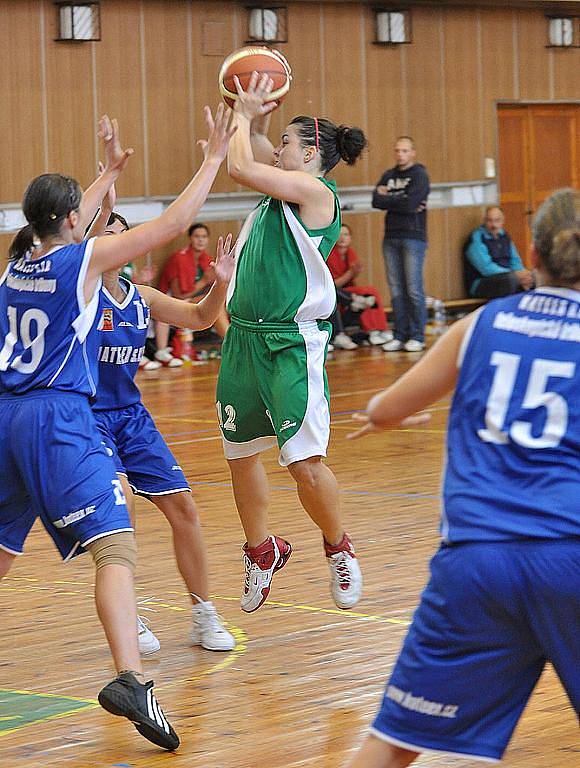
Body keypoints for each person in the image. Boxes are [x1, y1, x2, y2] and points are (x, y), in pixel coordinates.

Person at [0, 105, 236, 750]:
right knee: (115, 548)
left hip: (7, 417)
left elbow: (65, 217)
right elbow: (174, 223)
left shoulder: (14, 266)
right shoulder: (82, 267)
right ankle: (130, 676)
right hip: (59, 417)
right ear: (75, 221)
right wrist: (213, 158)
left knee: (2, 551)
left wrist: (104, 173)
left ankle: (155, 646)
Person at [346, 188, 579, 767]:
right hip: (570, 555)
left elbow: (392, 407)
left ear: (532, 252)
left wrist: (377, 416)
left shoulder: (483, 322)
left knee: (396, 739)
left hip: (476, 561)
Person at [218, 71, 367, 613]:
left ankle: (339, 546)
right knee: (240, 456)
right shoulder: (284, 187)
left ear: (309, 154)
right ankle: (261, 551)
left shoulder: (316, 192)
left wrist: (240, 114)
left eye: (286, 142)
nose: (275, 146)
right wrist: (252, 114)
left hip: (288, 344)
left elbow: (240, 164)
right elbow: (254, 151)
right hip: (243, 341)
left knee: (303, 463)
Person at [92, 207, 235, 654]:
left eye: (122, 233)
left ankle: (202, 613)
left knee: (185, 508)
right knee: (124, 506)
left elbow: (199, 318)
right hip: (87, 418)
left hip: (132, 417)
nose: (117, 241)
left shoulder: (142, 297)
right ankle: (127, 613)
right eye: (106, 233)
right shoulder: (75, 295)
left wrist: (222, 282)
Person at [372, 136, 430, 353]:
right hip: (391, 236)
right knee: (396, 289)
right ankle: (400, 334)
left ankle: (417, 335)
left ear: (412, 152)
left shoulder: (419, 175)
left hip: (413, 236)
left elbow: (411, 204)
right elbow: (376, 201)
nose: (400, 154)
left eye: (405, 150)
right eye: (397, 150)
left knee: (413, 288)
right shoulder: (389, 175)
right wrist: (401, 199)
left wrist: (392, 198)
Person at [156, 222, 230, 362]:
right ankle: (232, 343)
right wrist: (203, 281)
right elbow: (178, 295)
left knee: (227, 300)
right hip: (175, 302)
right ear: (190, 238)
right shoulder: (179, 259)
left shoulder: (206, 259)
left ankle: (232, 342)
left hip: (196, 302)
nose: (201, 240)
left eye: (204, 236)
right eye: (197, 236)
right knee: (217, 305)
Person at [327, 224, 392, 347]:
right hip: (334, 294)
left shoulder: (350, 253)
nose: (342, 238)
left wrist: (352, 274)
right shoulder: (329, 254)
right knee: (366, 293)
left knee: (369, 293)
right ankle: (372, 329)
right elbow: (331, 286)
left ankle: (377, 330)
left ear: (350, 238)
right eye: (339, 234)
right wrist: (350, 273)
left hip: (344, 292)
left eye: (346, 234)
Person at [465, 205, 535, 298]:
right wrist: (515, 275)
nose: (494, 225)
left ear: (503, 221)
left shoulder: (504, 236)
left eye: (497, 220)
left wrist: (523, 275)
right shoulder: (477, 238)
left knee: (534, 277)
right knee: (511, 280)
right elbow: (486, 269)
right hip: (482, 282)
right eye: (490, 220)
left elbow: (515, 261)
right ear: (484, 221)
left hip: (507, 277)